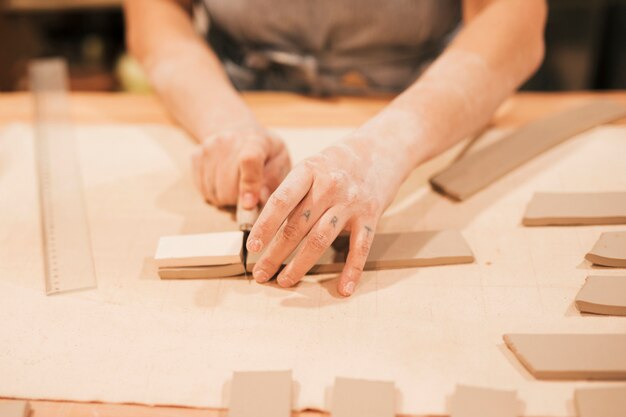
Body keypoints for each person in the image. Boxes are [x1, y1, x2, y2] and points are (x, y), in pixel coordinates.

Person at [124, 0, 547, 296]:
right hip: (229, 90)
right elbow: (155, 14)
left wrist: (387, 146)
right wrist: (224, 122)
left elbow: (514, 19)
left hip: (433, 102)